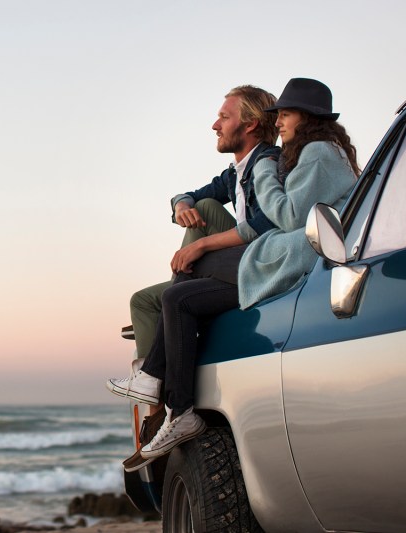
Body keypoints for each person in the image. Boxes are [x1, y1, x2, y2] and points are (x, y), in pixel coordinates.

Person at [109, 78, 360, 467]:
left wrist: (203, 243)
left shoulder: (285, 159)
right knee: (160, 293)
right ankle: (159, 392)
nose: (280, 122)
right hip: (278, 253)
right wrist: (180, 204)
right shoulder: (266, 165)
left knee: (181, 285)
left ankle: (161, 391)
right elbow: (193, 193)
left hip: (289, 259)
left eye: (286, 114)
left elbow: (278, 220)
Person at [129, 85, 280, 359]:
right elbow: (188, 196)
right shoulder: (235, 174)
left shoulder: (269, 163)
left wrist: (200, 246)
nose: (214, 125)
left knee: (207, 208)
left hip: (257, 264)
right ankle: (149, 384)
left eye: (224, 117)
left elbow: (265, 224)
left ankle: (179, 297)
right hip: (234, 260)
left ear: (250, 124)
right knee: (142, 301)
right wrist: (181, 205)